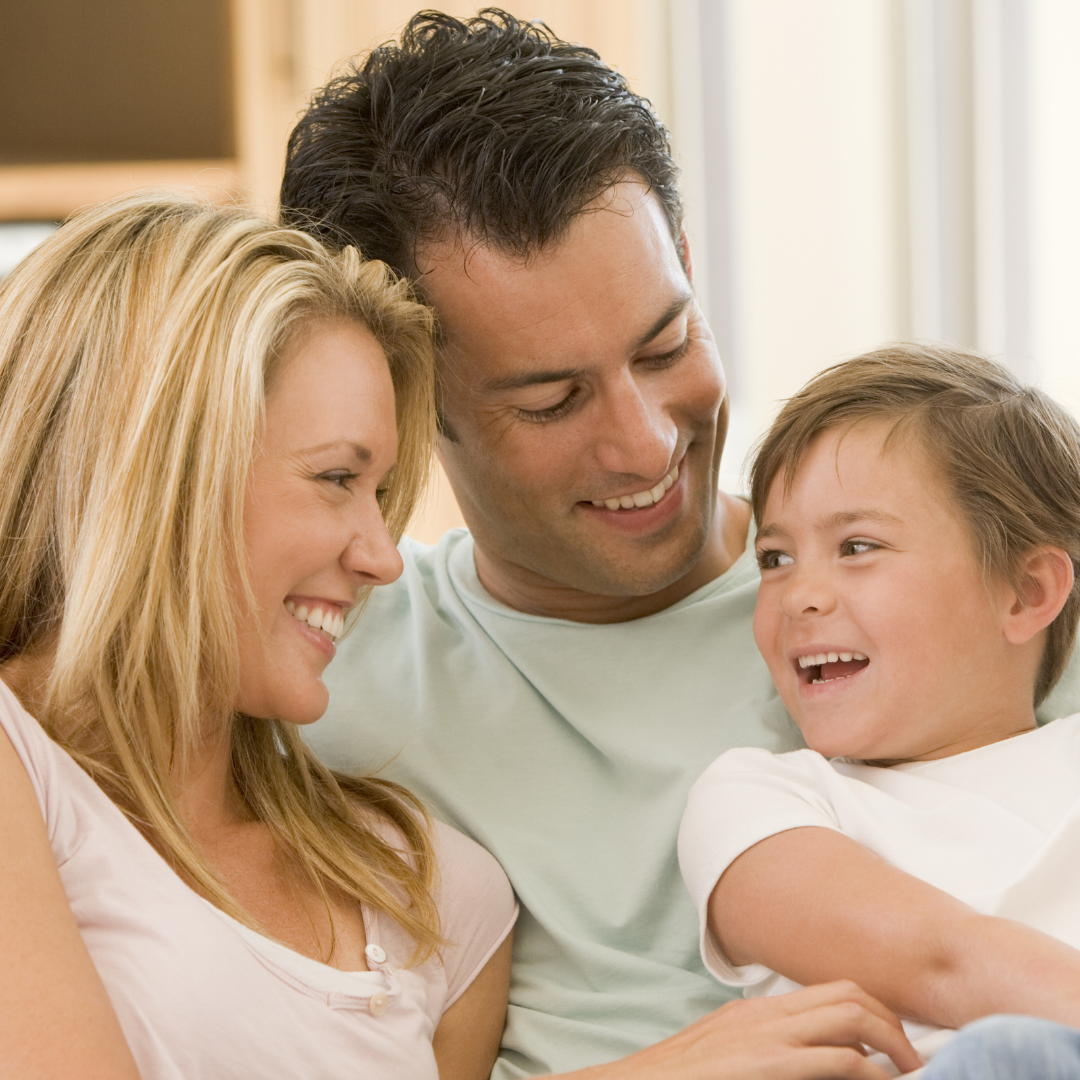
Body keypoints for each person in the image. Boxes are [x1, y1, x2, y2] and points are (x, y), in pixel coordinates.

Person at [279, 9, 1080, 1079]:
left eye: (667, 343)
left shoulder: (976, 602)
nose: (647, 441)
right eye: (554, 401)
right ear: (410, 401)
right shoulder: (321, 671)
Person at [0, 191, 517, 1079]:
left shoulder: (435, 896)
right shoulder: (23, 769)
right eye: (334, 478)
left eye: (381, 493)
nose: (382, 558)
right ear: (158, 473)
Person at [678, 344, 1080, 1076]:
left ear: (1026, 593)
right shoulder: (761, 800)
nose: (801, 594)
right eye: (774, 558)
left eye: (856, 546)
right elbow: (946, 964)